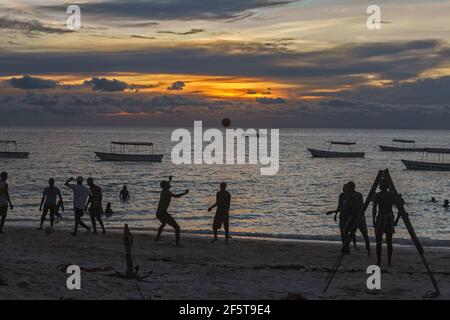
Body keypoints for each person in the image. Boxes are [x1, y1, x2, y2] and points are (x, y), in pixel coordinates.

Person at [155, 176, 189, 246]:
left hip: (158, 213)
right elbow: (176, 196)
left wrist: (169, 180)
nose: (169, 184)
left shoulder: (163, 191)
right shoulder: (167, 192)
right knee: (177, 227)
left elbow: (165, 185)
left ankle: (157, 239)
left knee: (163, 223)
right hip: (163, 213)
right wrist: (185, 193)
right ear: (166, 186)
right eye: (168, 184)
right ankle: (177, 244)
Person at [373, 178, 397, 267]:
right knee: (389, 241)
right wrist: (396, 219)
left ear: (381, 186)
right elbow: (399, 206)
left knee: (379, 241)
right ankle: (389, 262)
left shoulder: (378, 195)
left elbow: (374, 208)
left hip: (381, 217)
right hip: (390, 216)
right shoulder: (391, 195)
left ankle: (379, 261)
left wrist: (373, 220)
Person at [326, 183, 357, 251]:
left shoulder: (351, 197)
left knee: (350, 232)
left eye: (345, 188)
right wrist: (335, 215)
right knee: (342, 233)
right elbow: (339, 206)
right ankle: (345, 247)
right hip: (342, 216)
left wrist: (332, 212)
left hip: (349, 216)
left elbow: (349, 208)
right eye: (343, 188)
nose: (343, 189)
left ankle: (353, 244)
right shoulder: (341, 196)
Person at [346, 181, 371, 255]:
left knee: (364, 234)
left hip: (359, 217)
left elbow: (361, 206)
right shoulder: (349, 195)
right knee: (349, 232)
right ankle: (354, 245)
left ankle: (368, 249)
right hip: (353, 216)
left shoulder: (358, 195)